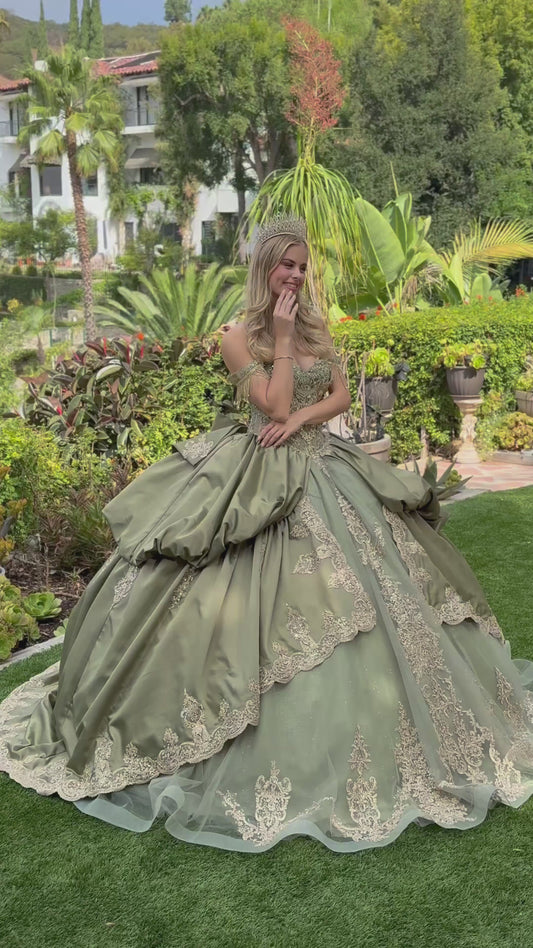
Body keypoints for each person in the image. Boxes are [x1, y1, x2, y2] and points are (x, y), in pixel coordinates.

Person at [1, 216, 533, 854]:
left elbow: (335, 395)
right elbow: (271, 408)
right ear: (264, 267)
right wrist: (280, 344)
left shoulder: (312, 324)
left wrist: (304, 408)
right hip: (257, 476)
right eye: (287, 266)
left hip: (323, 464)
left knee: (393, 588)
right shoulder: (237, 336)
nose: (297, 277)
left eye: (304, 267)